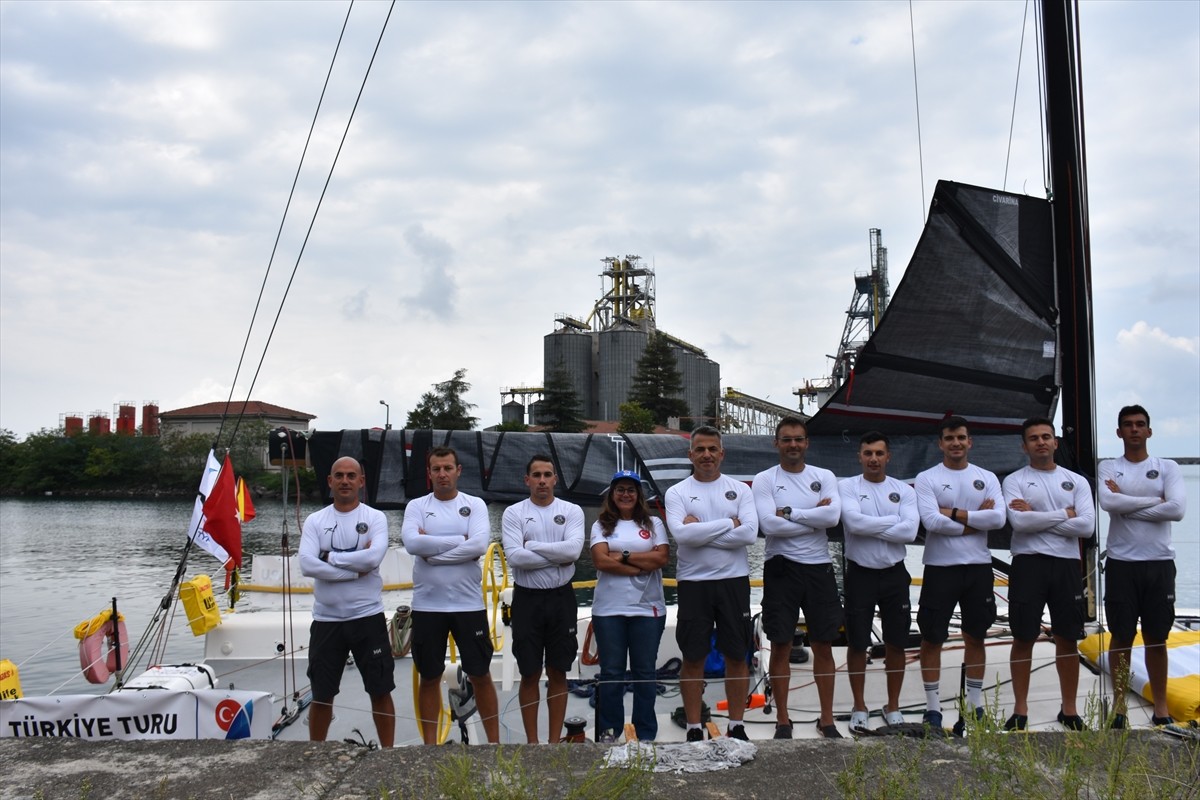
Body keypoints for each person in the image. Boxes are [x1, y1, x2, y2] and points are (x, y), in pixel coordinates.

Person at [664, 425, 759, 742]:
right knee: (693, 657)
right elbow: (681, 537)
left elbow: (748, 535)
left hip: (733, 582)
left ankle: (736, 725)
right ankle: (693, 728)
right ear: (691, 455)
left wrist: (701, 530)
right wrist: (727, 524)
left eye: (712, 449)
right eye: (700, 449)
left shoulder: (741, 490)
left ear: (722, 453)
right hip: (694, 584)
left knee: (737, 655)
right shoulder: (676, 492)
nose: (707, 455)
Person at [752, 416, 844, 739]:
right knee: (780, 644)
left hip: (818, 567)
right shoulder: (764, 480)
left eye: (799, 439)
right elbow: (768, 525)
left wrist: (790, 512)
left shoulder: (824, 476)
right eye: (787, 439)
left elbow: (832, 517)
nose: (793, 445)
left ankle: (828, 719)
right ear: (776, 443)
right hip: (781, 567)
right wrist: (812, 518)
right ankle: (782, 720)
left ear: (807, 443)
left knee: (824, 644)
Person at [400, 446, 499, 744]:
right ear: (428, 474)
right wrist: (459, 542)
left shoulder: (475, 505)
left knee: (480, 674)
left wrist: (434, 551)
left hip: (468, 605)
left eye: (447, 468)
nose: (442, 474)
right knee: (429, 676)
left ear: (458, 471)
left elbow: (479, 545)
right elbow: (413, 545)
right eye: (436, 469)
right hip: (428, 606)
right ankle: (430, 745)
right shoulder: (416, 506)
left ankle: (494, 745)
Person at [1002, 417, 1096, 731]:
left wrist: (1038, 516)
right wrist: (1064, 515)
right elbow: (1020, 524)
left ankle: (1069, 710)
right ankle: (1020, 710)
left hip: (1067, 565)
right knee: (1023, 637)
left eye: (1046, 436)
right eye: (1034, 438)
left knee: (1067, 638)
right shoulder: (1014, 481)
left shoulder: (1077, 481)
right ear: (1024, 446)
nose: (1041, 442)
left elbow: (1087, 526)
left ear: (1055, 442)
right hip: (1029, 564)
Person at [913, 416, 1006, 735]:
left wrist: (950, 512)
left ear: (970, 442)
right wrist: (975, 521)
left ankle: (976, 705)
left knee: (975, 635)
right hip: (940, 568)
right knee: (932, 638)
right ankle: (933, 707)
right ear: (940, 443)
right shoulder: (927, 478)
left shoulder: (986, 476)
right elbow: (930, 521)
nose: (956, 443)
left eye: (961, 438)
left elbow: (998, 519)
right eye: (950, 438)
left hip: (978, 567)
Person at [1097, 405, 1186, 728]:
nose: (1134, 430)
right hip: (1123, 564)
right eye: (1127, 425)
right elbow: (1109, 503)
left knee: (1156, 638)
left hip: (1160, 564)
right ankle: (1119, 708)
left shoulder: (1168, 467)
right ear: (1119, 432)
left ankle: (1160, 709)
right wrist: (1156, 502)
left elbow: (1176, 510)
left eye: (1140, 424)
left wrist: (1128, 506)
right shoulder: (1109, 467)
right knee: (1121, 637)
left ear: (1149, 431)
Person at [298, 456, 396, 747]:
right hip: (327, 620)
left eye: (351, 476)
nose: (344, 481)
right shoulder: (316, 520)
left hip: (367, 618)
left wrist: (328, 557)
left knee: (380, 689)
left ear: (361, 482)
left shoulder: (375, 518)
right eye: (338, 475)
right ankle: (315, 752)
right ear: (330, 481)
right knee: (322, 693)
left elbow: (373, 557)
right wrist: (356, 572)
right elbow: (307, 565)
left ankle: (389, 754)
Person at [500, 454, 586, 743]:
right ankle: (533, 743)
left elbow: (573, 553)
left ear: (555, 479)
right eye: (536, 475)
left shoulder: (571, 511)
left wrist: (533, 546)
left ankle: (552, 742)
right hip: (527, 600)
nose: (542, 481)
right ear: (527, 480)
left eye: (547, 475)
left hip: (561, 599)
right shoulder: (514, 513)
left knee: (558, 671)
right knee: (529, 672)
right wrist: (555, 556)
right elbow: (515, 557)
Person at [839, 431, 919, 732]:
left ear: (888, 457)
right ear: (860, 456)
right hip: (860, 573)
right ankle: (859, 705)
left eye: (879, 454)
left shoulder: (903, 491)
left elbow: (910, 533)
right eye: (868, 453)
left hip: (894, 574)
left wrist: (872, 526)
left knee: (896, 643)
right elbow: (854, 524)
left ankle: (893, 705)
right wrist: (894, 522)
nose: (874, 459)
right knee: (858, 643)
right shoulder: (846, 486)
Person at [589, 470, 670, 742]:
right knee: (612, 671)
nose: (626, 494)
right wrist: (638, 565)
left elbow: (660, 559)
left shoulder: (654, 523)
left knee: (644, 672)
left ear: (639, 495)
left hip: (648, 610)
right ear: (612, 494)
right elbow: (601, 561)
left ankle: (645, 732)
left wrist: (622, 555)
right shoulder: (601, 525)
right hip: (609, 610)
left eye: (631, 490)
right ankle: (610, 730)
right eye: (620, 489)